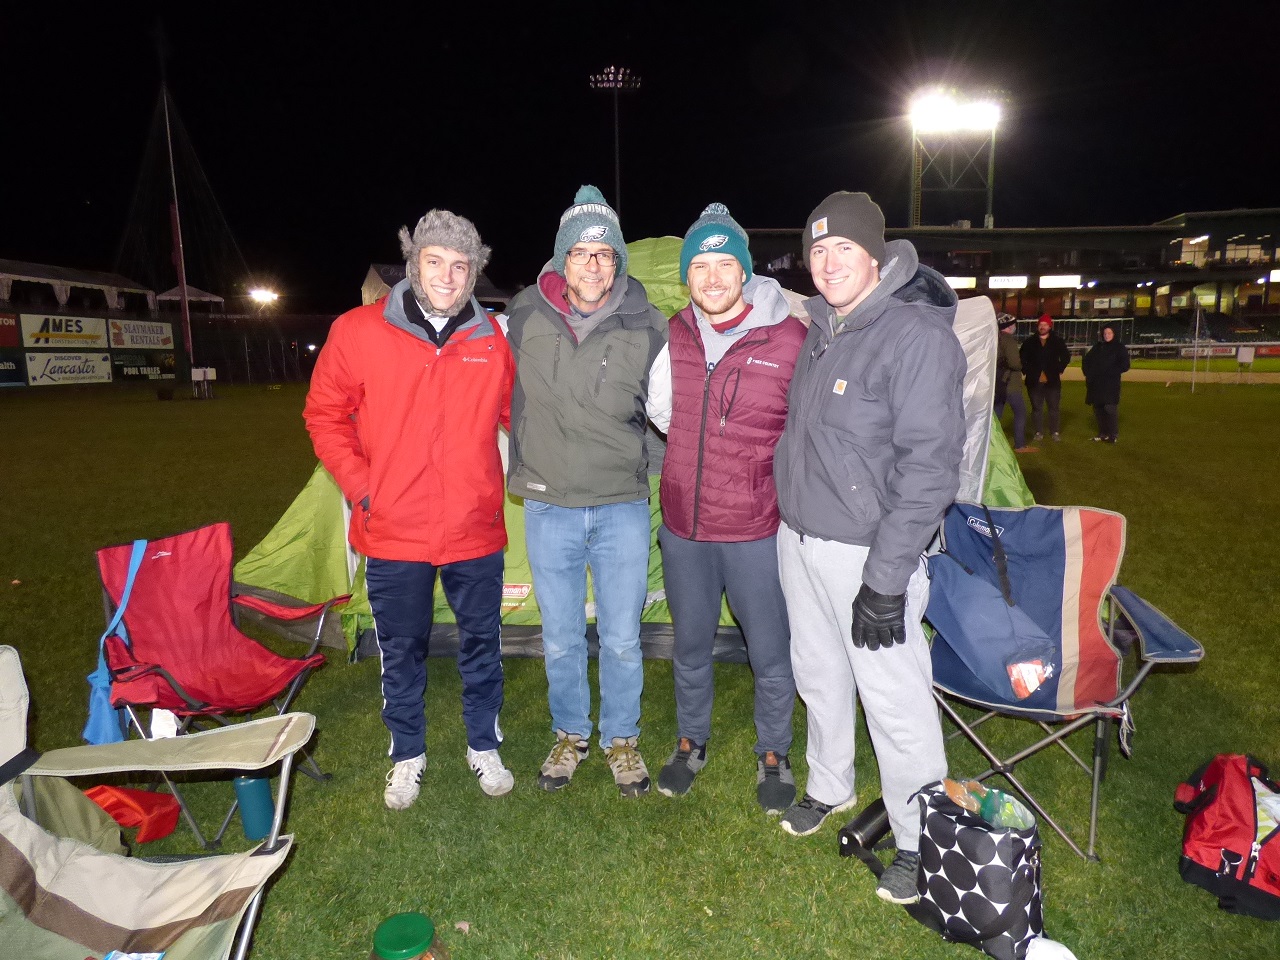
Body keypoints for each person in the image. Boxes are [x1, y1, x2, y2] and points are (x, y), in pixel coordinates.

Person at [772, 191, 966, 905]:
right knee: (818, 674)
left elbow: (930, 467)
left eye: (842, 249)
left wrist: (886, 578)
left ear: (876, 256)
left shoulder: (915, 336)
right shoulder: (823, 329)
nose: (828, 262)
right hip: (800, 540)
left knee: (896, 699)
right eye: (817, 250)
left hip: (867, 554)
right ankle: (829, 785)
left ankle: (921, 841)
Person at [304, 210, 516, 810]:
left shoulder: (491, 340)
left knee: (482, 640)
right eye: (436, 262)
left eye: (461, 265)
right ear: (413, 262)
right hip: (393, 529)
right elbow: (324, 415)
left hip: (474, 529)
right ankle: (407, 754)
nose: (449, 276)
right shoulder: (358, 331)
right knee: (402, 648)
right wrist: (364, 487)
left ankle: (483, 743)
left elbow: (518, 417)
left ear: (474, 271)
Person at [504, 185, 669, 798]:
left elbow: (666, 410)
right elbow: (500, 393)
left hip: (621, 505)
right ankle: (570, 732)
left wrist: (647, 467)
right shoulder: (524, 312)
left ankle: (621, 739)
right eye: (581, 252)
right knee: (561, 635)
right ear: (561, 261)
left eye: (604, 253)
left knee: (624, 636)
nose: (593, 263)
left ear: (618, 261)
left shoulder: (648, 322)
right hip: (548, 505)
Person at [646, 203, 805, 814]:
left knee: (769, 649)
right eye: (700, 267)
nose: (712, 279)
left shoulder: (789, 337)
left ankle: (774, 751)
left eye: (724, 265)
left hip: (754, 528)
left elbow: (805, 428)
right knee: (690, 646)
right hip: (685, 526)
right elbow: (662, 411)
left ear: (745, 271)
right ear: (688, 276)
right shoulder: (676, 332)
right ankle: (691, 742)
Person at [1019, 314, 1071, 441]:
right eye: (1041, 325)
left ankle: (1055, 432)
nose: (1042, 327)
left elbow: (1066, 357)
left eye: (1045, 325)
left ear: (1050, 326)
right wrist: (1027, 371)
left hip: (1052, 381)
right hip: (1034, 381)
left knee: (1053, 408)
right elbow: (1021, 358)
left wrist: (1059, 368)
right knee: (1037, 409)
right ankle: (1038, 432)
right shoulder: (1029, 342)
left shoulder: (1057, 341)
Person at [1081, 323, 1130, 442]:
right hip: (1096, 384)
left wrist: (1110, 371)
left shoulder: (1119, 347)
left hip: (1110, 384)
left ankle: (1113, 435)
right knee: (1098, 409)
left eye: (1109, 333)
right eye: (1105, 333)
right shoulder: (1098, 347)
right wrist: (1088, 373)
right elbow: (1086, 361)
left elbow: (1125, 365)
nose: (1107, 335)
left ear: (1114, 334)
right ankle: (1103, 433)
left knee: (1109, 408)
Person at [994, 314, 1036, 453]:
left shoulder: (995, 339)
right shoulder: (1008, 340)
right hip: (1010, 384)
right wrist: (1022, 364)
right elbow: (1014, 363)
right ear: (1009, 326)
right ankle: (1019, 445)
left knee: (996, 416)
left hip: (997, 383)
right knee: (1020, 412)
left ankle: (991, 444)